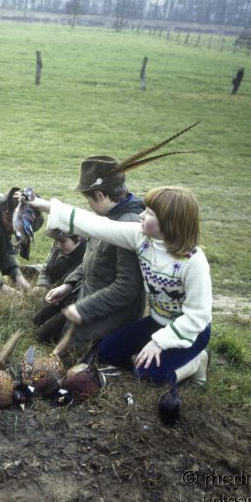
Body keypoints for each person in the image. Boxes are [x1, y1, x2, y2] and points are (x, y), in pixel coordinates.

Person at [28, 186, 212, 387]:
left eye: (149, 213)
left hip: (190, 331)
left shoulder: (193, 262)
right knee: (106, 353)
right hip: (157, 321)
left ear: (169, 223)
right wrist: (45, 205)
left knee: (149, 375)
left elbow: (198, 317)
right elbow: (96, 225)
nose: (140, 215)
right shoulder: (141, 237)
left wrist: (159, 342)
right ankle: (149, 358)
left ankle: (197, 361)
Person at [40, 156, 146, 351]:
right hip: (87, 297)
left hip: (110, 310)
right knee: (43, 331)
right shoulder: (105, 217)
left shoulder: (127, 224)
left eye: (88, 198)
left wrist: (83, 309)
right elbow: (92, 258)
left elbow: (127, 288)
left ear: (99, 195)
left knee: (76, 352)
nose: (88, 204)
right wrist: (68, 284)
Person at [31, 229, 87, 343]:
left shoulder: (86, 254)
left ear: (79, 238)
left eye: (62, 241)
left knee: (43, 335)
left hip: (75, 302)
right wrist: (42, 285)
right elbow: (47, 268)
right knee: (36, 320)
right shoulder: (58, 246)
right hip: (59, 295)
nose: (58, 245)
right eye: (56, 240)